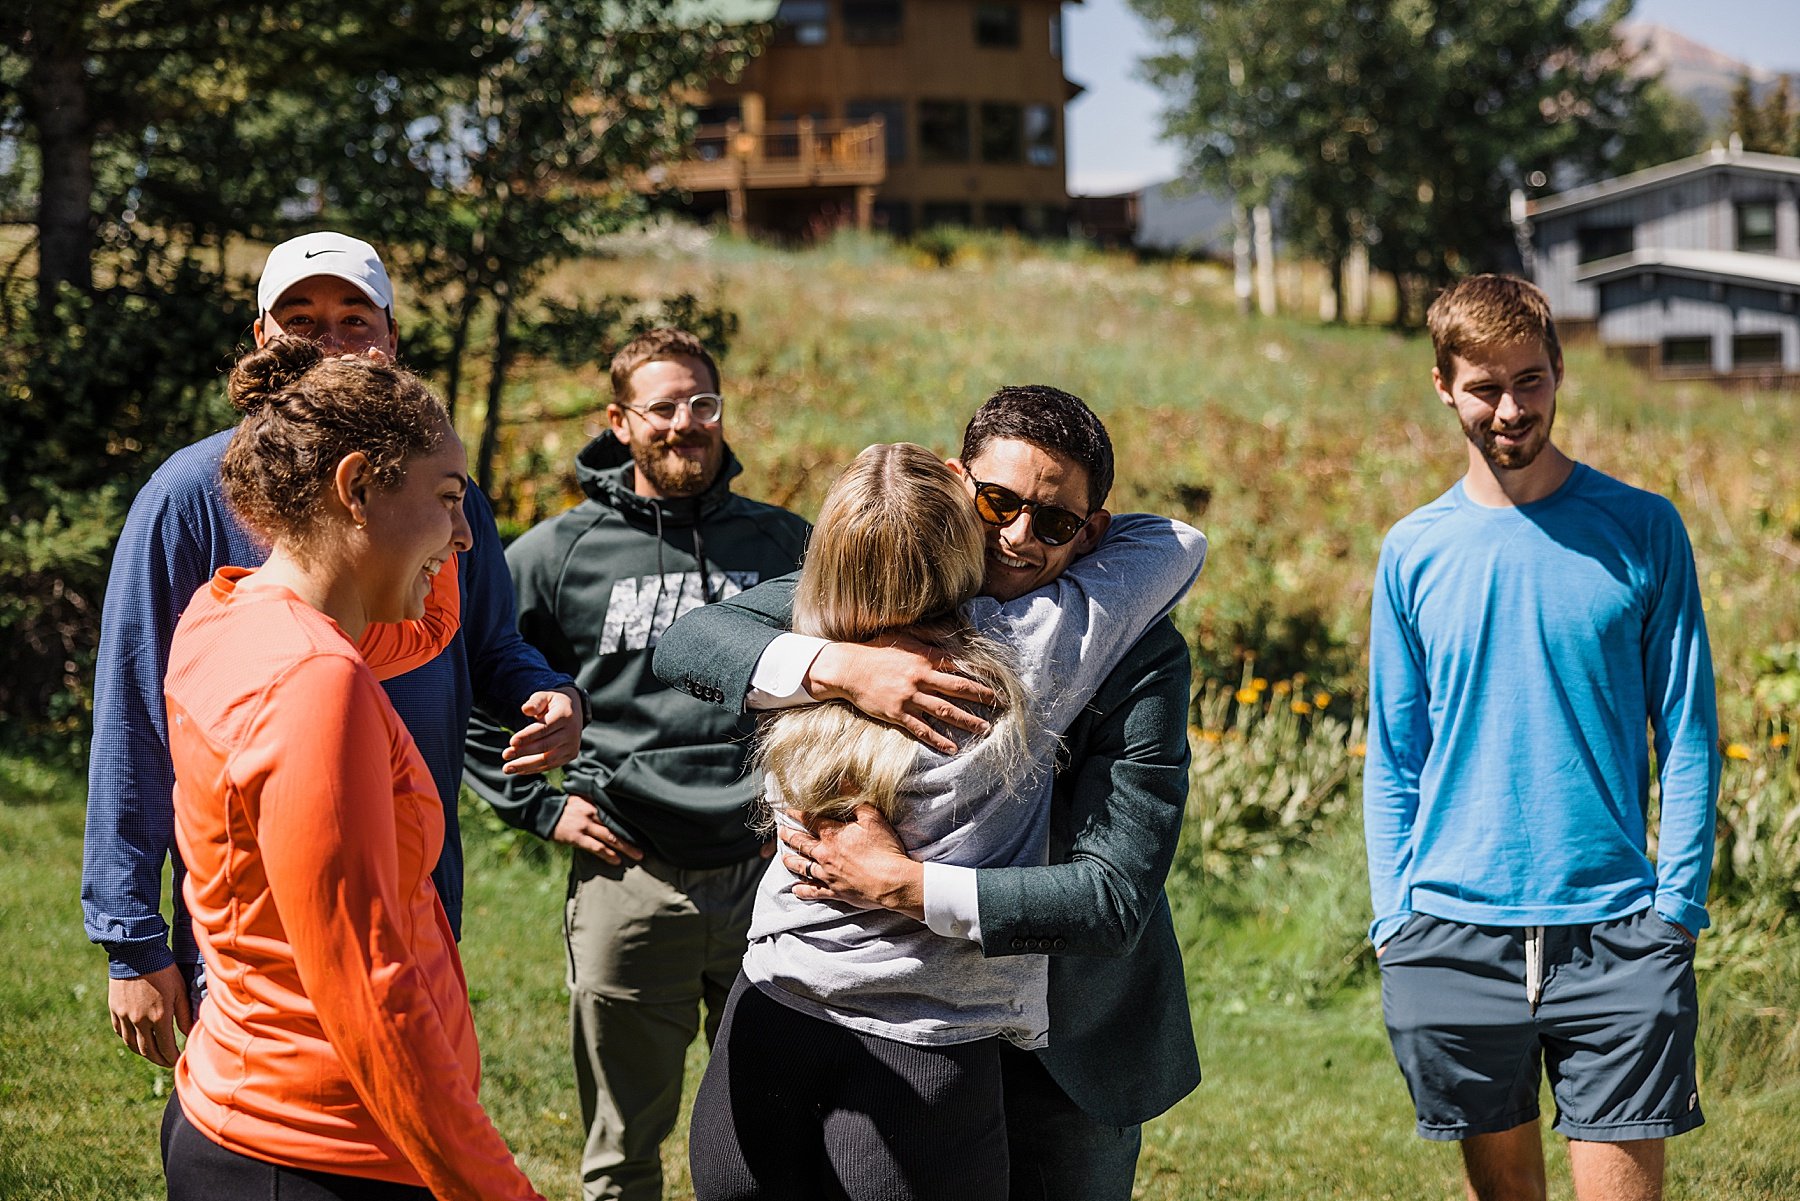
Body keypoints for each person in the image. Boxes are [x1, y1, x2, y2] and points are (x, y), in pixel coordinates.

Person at [654, 387, 1204, 1200]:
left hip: (1067, 1038)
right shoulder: (884, 587)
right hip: (878, 1022)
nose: (1019, 537)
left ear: (1092, 532)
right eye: (997, 502)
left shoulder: (1131, 642)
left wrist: (906, 886)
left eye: (1054, 523)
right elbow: (696, 641)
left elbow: (1114, 894)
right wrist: (847, 667)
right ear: (956, 482)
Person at [81, 230, 583, 1071]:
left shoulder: (444, 497)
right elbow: (134, 718)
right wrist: (130, 937)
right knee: (272, 1138)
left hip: (417, 905)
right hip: (253, 926)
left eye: (355, 317)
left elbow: (491, 645)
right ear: (262, 340)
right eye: (302, 317)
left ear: (391, 340)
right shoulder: (188, 499)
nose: (331, 338)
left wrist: (546, 693)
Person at [1364, 274, 1720, 1201]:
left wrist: (1676, 905)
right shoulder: (1413, 550)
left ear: (1560, 371)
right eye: (1486, 386)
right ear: (1444, 385)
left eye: (1530, 380)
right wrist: (1394, 919)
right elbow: (1395, 752)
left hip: (1618, 933)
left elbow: (1686, 731)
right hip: (1448, 932)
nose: (1511, 408)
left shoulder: (1643, 530)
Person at [160, 337, 542, 1200]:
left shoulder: (226, 613)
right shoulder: (317, 680)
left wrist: (428, 558)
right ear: (359, 486)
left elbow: (422, 632)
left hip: (250, 1116)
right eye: (448, 500)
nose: (463, 532)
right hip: (320, 1151)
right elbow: (372, 995)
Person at [462, 328, 810, 1201]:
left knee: (783, 1131)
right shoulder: (556, 553)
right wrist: (538, 807)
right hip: (631, 877)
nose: (686, 424)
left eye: (703, 404)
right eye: (663, 408)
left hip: (770, 872)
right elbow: (466, 680)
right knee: (625, 1149)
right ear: (620, 422)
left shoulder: (786, 546)